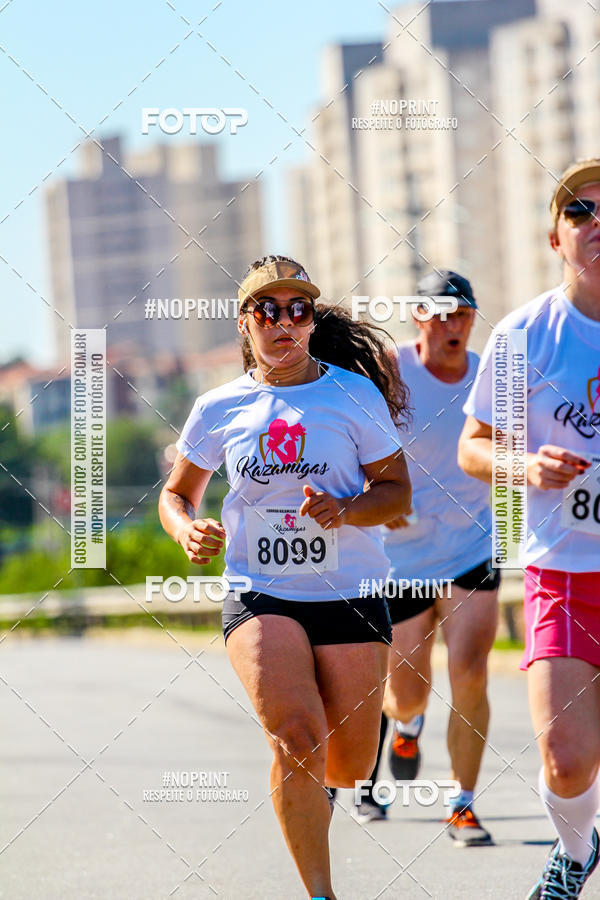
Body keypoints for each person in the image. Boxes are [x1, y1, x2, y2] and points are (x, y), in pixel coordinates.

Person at [158, 255, 412, 900]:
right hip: (259, 591)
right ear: (246, 323)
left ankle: (319, 785)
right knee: (297, 740)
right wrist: (187, 529)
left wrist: (346, 510)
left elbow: (397, 493)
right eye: (267, 310)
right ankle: (320, 893)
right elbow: (176, 495)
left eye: (297, 310)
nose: (284, 322)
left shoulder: (352, 395)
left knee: (347, 763)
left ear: (309, 321)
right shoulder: (219, 405)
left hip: (351, 592)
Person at [458, 159, 600, 897]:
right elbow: (471, 445)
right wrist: (524, 468)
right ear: (555, 237)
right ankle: (577, 852)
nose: (596, 221)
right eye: (579, 211)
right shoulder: (525, 337)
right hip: (564, 573)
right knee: (567, 758)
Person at [353, 270, 500, 848]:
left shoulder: (491, 374)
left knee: (469, 668)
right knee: (408, 687)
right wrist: (372, 501)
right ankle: (406, 725)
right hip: (402, 557)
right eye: (438, 313)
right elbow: (351, 439)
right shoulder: (390, 372)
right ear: (418, 317)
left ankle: (461, 803)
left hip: (471, 546)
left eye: (461, 314)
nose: (450, 324)